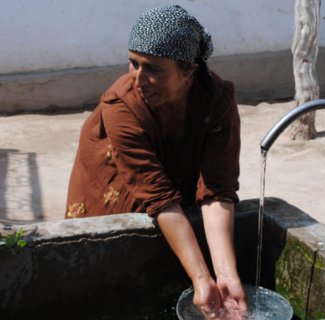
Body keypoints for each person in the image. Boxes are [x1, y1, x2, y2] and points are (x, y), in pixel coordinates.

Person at [65, 5, 247, 313]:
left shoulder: (217, 101)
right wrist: (202, 278)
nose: (138, 79)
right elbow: (159, 196)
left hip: (170, 186)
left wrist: (226, 276)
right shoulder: (121, 106)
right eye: (133, 64)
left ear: (188, 70)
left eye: (153, 69)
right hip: (114, 181)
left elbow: (218, 188)